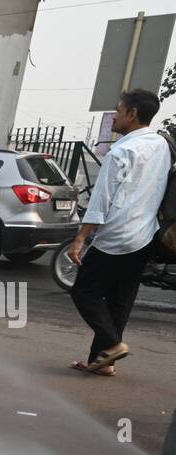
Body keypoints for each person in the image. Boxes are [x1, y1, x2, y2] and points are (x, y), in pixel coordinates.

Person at [66, 88, 168, 376]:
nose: (114, 117)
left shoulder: (121, 152)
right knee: (119, 301)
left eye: (119, 110)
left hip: (117, 236)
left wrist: (80, 239)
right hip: (146, 235)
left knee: (83, 291)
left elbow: (101, 201)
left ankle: (112, 345)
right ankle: (103, 363)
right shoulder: (161, 145)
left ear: (132, 114)